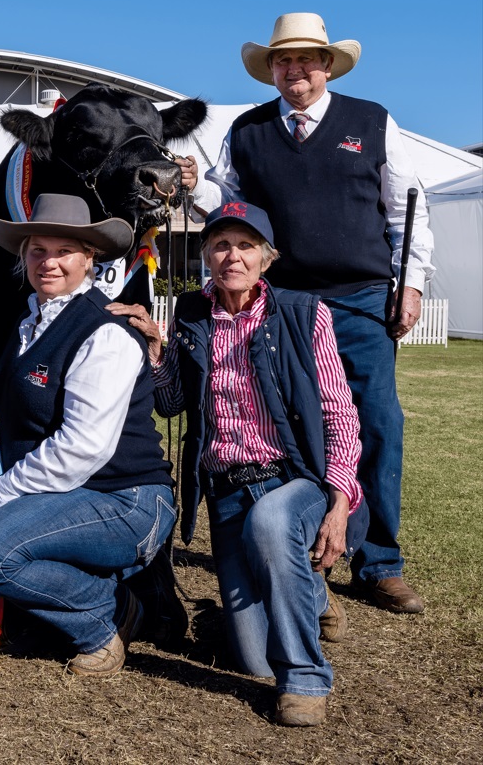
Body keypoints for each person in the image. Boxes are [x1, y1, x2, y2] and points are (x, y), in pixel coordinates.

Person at [183, 13, 433, 615]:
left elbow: (407, 209)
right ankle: (303, 546)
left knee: (377, 422)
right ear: (271, 69)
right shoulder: (246, 130)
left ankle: (379, 563)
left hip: (361, 295)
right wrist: (192, 187)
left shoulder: (372, 121)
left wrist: (413, 284)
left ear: (327, 66)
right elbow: (227, 199)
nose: (295, 70)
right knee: (290, 426)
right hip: (283, 303)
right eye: (283, 60)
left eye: (306, 60)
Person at [111, 201, 362, 727]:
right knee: (249, 658)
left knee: (272, 525)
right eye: (221, 244)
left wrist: (339, 503)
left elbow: (339, 410)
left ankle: (305, 678)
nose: (233, 256)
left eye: (246, 246)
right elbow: (172, 403)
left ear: (266, 259)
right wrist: (159, 351)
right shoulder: (192, 312)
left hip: (291, 479)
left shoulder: (302, 312)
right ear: (205, 254)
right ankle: (307, 592)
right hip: (226, 487)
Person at [0, 194, 176, 677]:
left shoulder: (106, 331)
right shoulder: (30, 319)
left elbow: (84, 445)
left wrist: (5, 492)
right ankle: (100, 603)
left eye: (63, 252)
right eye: (37, 250)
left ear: (89, 258)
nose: (48, 262)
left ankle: (107, 616)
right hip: (78, 492)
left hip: (127, 498)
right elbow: (45, 397)